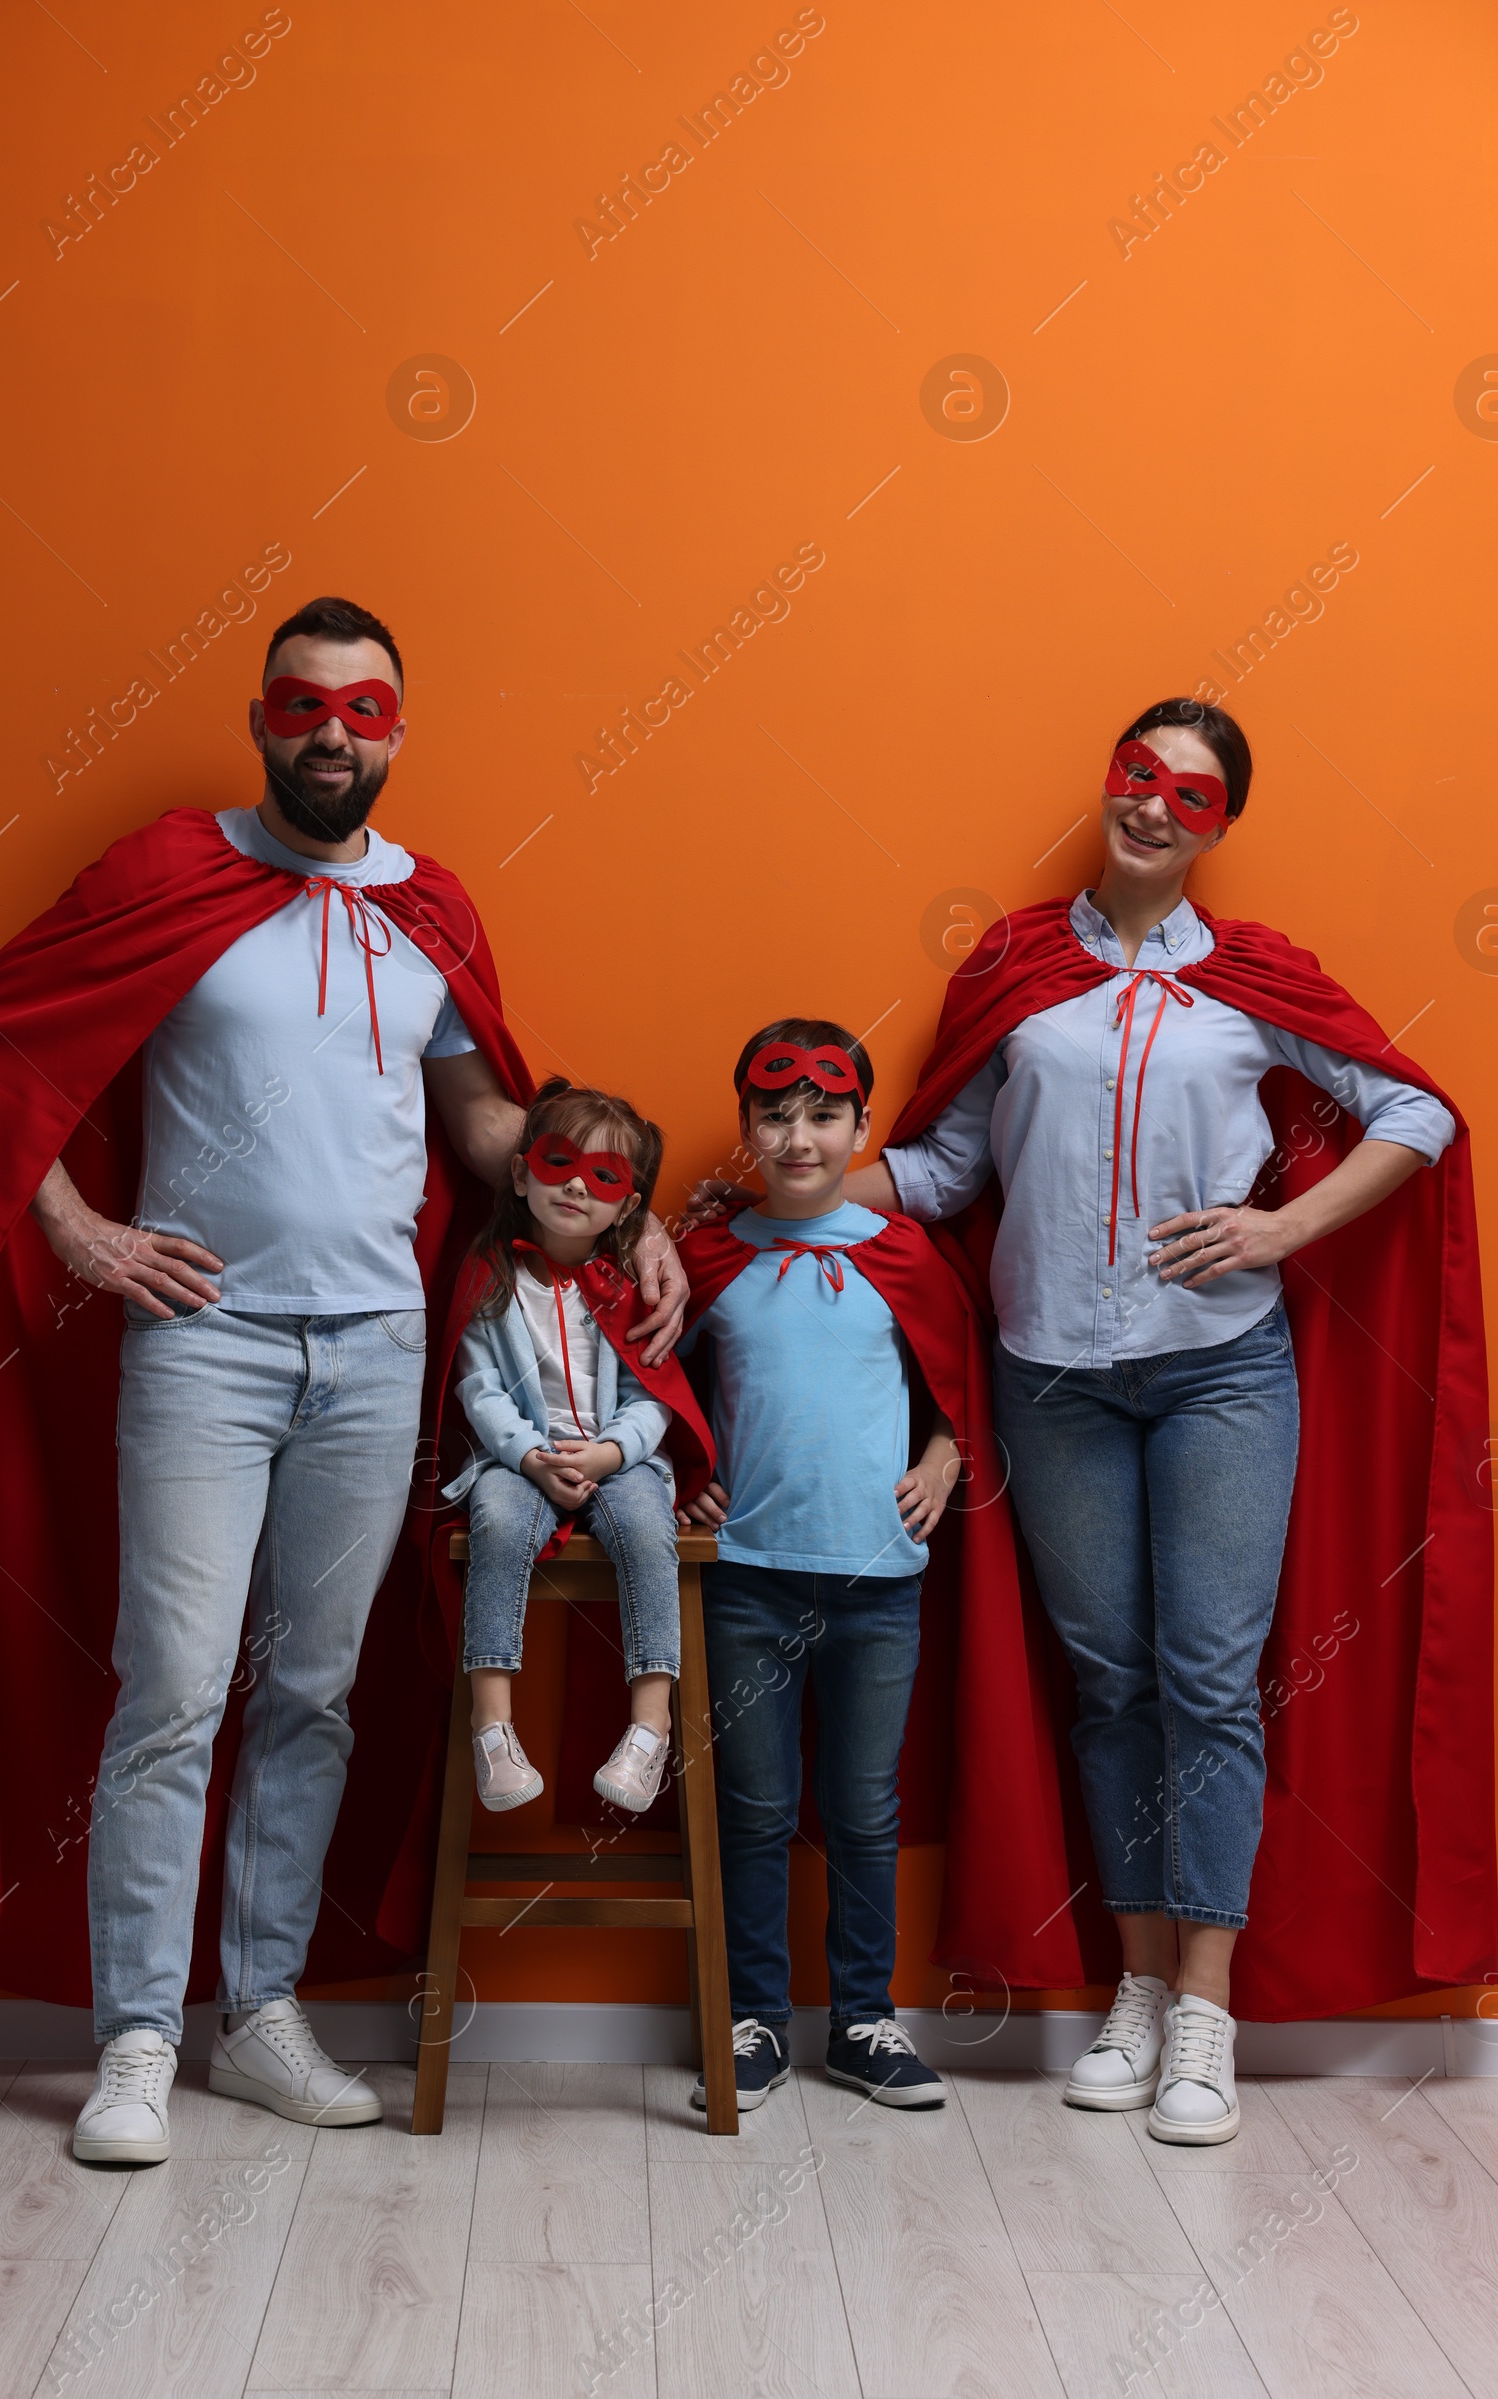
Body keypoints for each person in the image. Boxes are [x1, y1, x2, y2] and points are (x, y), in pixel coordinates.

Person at [0, 596, 687, 2168]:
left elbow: (484, 1131)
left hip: (378, 1348)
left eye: (367, 708)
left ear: (398, 729)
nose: (335, 729)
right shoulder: (167, 872)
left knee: (311, 1690)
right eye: (305, 702)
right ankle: (136, 2034)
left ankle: (257, 2013)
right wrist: (83, 1233)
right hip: (206, 1342)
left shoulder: (430, 908)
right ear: (264, 718)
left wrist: (631, 1207)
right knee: (173, 1683)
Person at [852, 698, 1484, 2142]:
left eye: (1190, 796)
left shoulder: (1255, 978)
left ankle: (1207, 2005)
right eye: (1139, 777)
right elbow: (948, 1165)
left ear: (1218, 826)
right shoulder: (1014, 959)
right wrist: (802, 1193)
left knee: (1207, 1678)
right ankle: (1134, 1987)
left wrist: (1284, 1229)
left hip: (1219, 1371)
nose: (1153, 806)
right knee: (1113, 1683)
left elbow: (1418, 1112)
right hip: (1051, 1376)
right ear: (1109, 784)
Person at [675, 1021, 969, 2111]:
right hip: (746, 1573)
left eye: (823, 1115)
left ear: (859, 1125)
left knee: (862, 1809)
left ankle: (863, 2021)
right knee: (752, 1807)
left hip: (878, 1580)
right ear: (747, 1122)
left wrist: (942, 1458)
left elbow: (956, 1382)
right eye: (774, 1115)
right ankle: (750, 2015)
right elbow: (638, 1381)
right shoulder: (705, 1255)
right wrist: (674, 1473)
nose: (798, 1137)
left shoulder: (903, 1255)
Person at [440, 1081, 713, 1815]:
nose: (574, 1186)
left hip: (616, 1459)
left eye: (604, 1176)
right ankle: (492, 1725)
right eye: (558, 1163)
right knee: (495, 1520)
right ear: (522, 1171)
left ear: (628, 1205)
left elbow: (655, 1394)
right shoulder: (489, 1277)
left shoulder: (629, 1284)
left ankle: (649, 1729)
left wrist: (610, 1455)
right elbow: (479, 1389)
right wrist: (529, 1456)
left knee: (648, 1525)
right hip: (515, 1462)